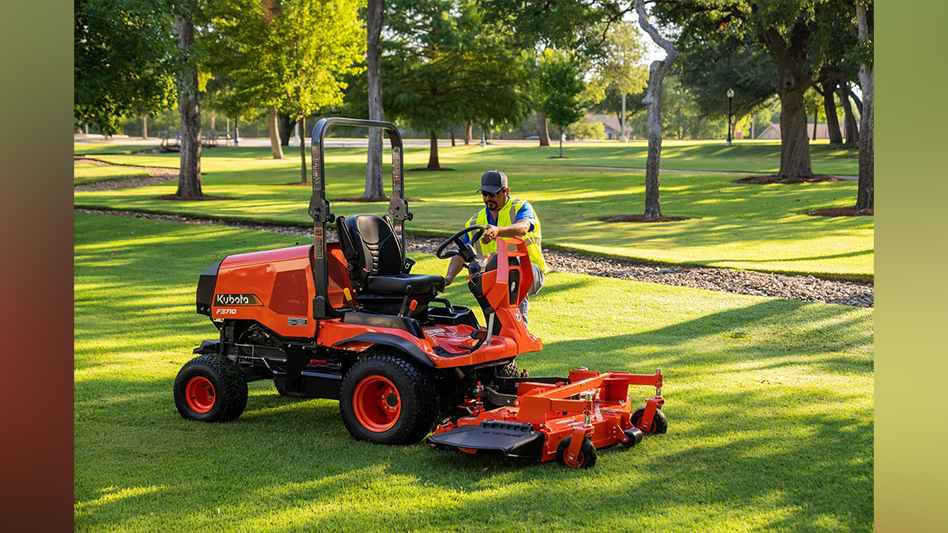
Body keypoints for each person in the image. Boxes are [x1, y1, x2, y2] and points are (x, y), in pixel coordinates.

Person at [444, 169, 548, 323]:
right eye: (484, 194)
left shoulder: (520, 208)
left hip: (530, 272)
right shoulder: (475, 222)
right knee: (483, 282)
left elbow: (523, 227)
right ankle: (494, 334)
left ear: (506, 191)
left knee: (512, 270)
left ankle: (520, 329)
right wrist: (449, 277)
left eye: (493, 194)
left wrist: (498, 231)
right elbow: (462, 252)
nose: (488, 198)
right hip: (496, 276)